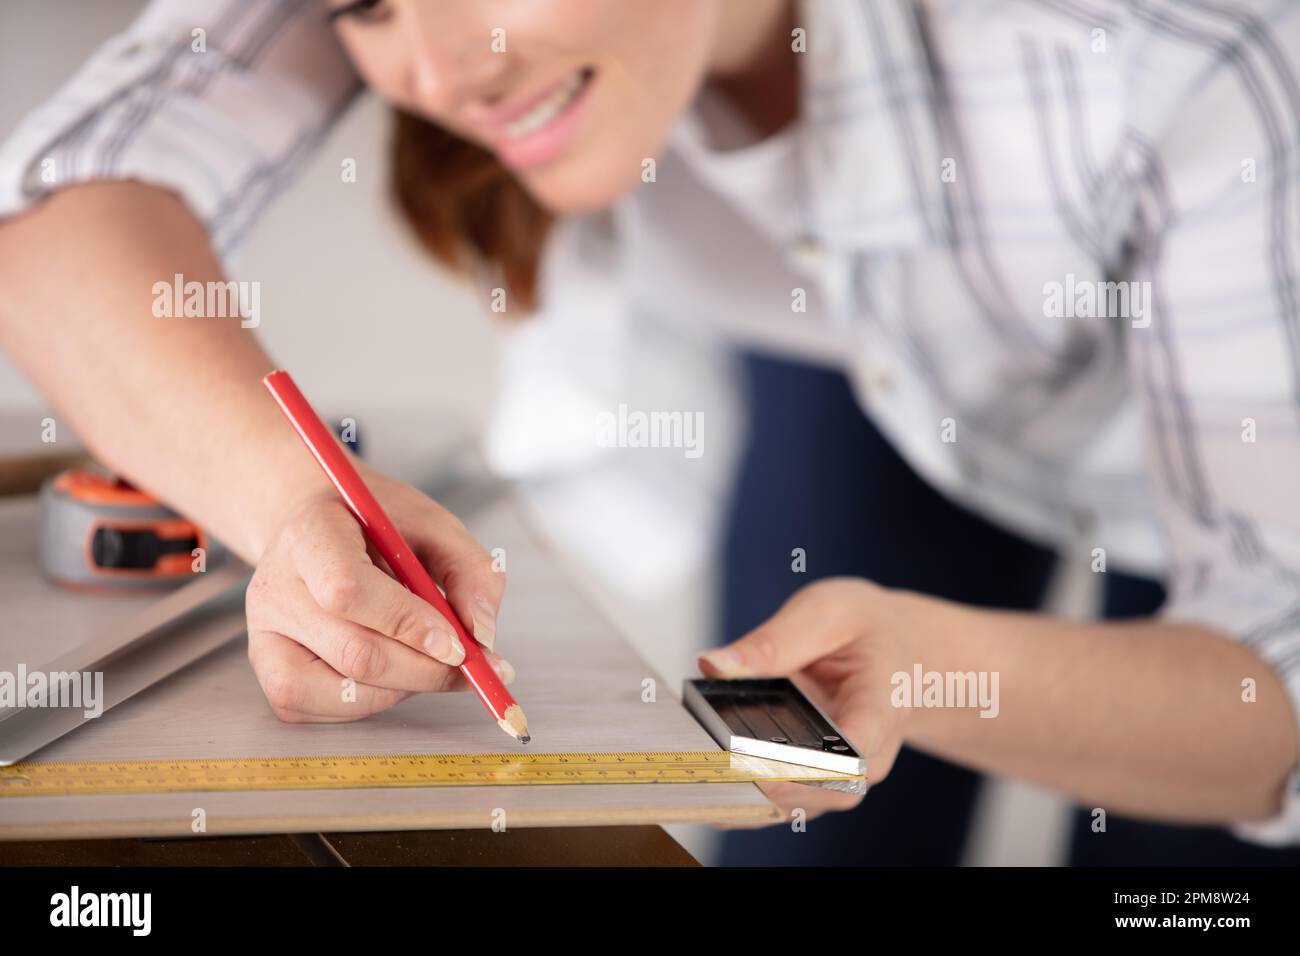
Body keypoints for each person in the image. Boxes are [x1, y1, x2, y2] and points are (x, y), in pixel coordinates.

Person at [1, 0, 1298, 866]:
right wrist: (288, 506)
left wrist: (939, 666)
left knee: (1177, 859)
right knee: (794, 811)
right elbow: (56, 214)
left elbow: (1278, 693)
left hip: (1213, 471)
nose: (440, 73)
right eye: (368, 5)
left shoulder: (1173, 60)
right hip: (846, 368)